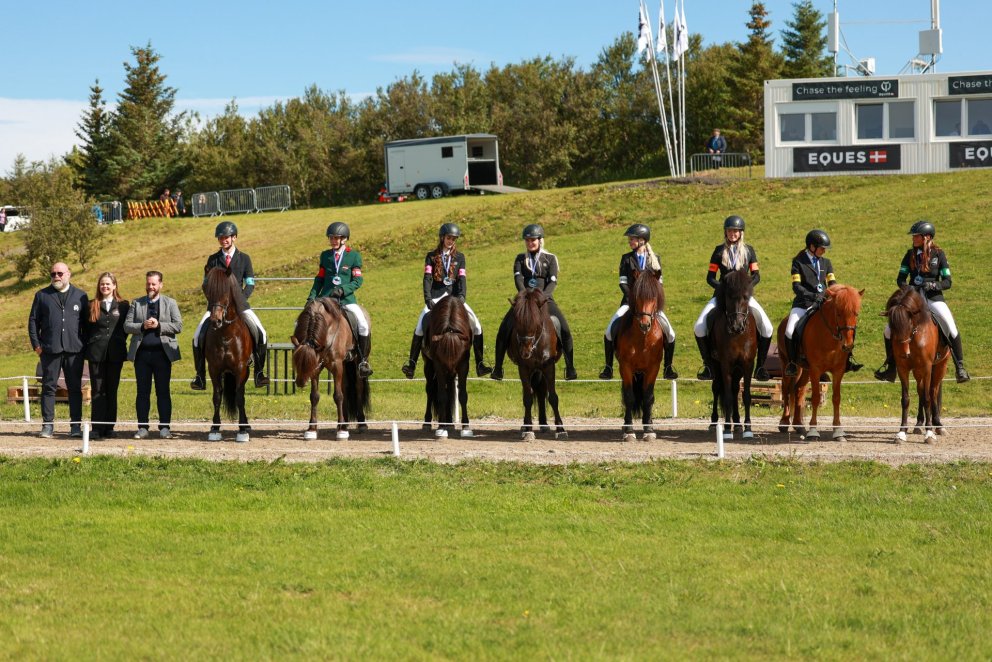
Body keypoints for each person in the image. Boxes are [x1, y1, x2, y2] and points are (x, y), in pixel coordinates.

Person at [875, 221, 970, 383]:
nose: (913, 238)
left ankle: (960, 366)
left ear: (927, 237)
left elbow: (948, 281)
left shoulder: (939, 254)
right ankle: (890, 366)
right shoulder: (909, 255)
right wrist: (909, 288)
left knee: (950, 325)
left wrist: (933, 284)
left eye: (916, 236)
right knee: (888, 330)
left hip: (933, 297)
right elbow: (900, 279)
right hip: (913, 298)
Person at [401, 222, 492, 378]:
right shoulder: (431, 256)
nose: (451, 241)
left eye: (454, 239)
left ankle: (480, 363)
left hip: (455, 299)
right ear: (442, 238)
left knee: (476, 325)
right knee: (419, 327)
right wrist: (428, 299)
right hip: (436, 298)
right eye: (449, 238)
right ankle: (412, 363)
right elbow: (427, 278)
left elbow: (462, 278)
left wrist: (462, 296)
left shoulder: (460, 257)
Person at [491, 224, 577, 381]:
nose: (530, 243)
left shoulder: (550, 259)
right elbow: (518, 279)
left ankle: (570, 367)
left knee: (564, 328)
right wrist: (524, 297)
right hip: (524, 301)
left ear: (540, 240)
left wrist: (542, 298)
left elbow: (552, 282)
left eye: (533, 240)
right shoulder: (520, 259)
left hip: (544, 300)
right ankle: (497, 368)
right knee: (504, 328)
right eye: (527, 240)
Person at [692, 216, 774, 381]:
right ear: (726, 232)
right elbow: (710, 277)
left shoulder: (749, 251)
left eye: (736, 231)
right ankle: (708, 366)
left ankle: (760, 368)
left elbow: (756, 276)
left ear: (741, 233)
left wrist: (746, 289)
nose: (732, 234)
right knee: (699, 327)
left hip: (743, 298)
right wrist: (723, 289)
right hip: (722, 297)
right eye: (730, 230)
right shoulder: (718, 251)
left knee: (767, 327)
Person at [190, 221, 270, 390]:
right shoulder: (213, 260)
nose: (223, 240)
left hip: (240, 306)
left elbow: (250, 284)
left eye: (226, 237)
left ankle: (259, 373)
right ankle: (200, 376)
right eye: (220, 238)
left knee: (261, 333)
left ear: (234, 237)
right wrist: (213, 300)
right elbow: (206, 285)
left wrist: (240, 298)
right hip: (216, 307)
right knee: (197, 336)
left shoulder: (244, 258)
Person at [599, 223, 677, 380]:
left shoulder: (656, 260)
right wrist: (633, 299)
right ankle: (608, 367)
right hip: (629, 303)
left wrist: (651, 302)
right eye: (630, 239)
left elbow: (658, 285)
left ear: (642, 240)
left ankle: (668, 367)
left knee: (670, 333)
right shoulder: (626, 259)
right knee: (609, 331)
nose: (630, 241)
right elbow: (623, 282)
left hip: (649, 306)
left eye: (633, 239)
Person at [783, 229, 864, 377]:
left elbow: (832, 282)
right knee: (789, 331)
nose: (824, 251)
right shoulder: (798, 262)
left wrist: (838, 294)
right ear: (812, 247)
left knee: (846, 325)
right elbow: (796, 286)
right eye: (822, 248)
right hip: (803, 303)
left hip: (823, 303)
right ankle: (793, 363)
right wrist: (813, 296)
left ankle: (848, 359)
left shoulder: (826, 263)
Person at [28, 262, 88, 438]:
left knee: (75, 388)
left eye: (60, 273)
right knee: (48, 388)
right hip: (49, 350)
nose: (56, 276)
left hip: (74, 351)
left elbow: (86, 324)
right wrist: (37, 346)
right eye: (53, 273)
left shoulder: (81, 296)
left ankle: (75, 426)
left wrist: (83, 346)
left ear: (68, 274)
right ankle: (47, 425)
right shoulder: (41, 295)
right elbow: (33, 321)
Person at [307, 221, 373, 377]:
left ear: (344, 239)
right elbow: (320, 279)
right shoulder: (325, 256)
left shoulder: (353, 256)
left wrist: (343, 290)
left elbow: (358, 281)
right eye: (331, 238)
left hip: (346, 300)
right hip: (326, 300)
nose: (333, 241)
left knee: (363, 324)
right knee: (305, 321)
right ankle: (307, 355)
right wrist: (312, 297)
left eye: (336, 238)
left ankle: (362, 360)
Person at [125, 271, 183, 439]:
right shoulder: (136, 303)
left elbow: (178, 326)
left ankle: (165, 427)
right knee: (142, 392)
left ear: (160, 285)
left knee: (163, 391)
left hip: (163, 355)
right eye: (148, 283)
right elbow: (127, 326)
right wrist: (142, 326)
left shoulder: (170, 303)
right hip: (141, 355)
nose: (150, 286)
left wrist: (159, 325)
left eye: (154, 284)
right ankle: (142, 427)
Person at [85, 272, 129, 439]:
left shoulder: (124, 305)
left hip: (116, 354)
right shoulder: (91, 305)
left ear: (114, 286)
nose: (105, 286)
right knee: (97, 390)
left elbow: (125, 329)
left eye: (108, 284)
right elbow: (86, 329)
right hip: (96, 353)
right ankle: (96, 427)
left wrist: (117, 341)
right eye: (102, 284)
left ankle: (110, 427)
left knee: (112, 390)